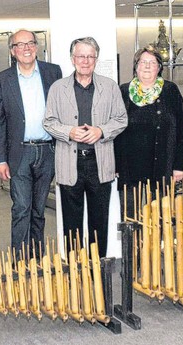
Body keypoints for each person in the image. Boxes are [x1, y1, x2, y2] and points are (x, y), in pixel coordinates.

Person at [43, 37, 127, 258]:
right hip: (70, 163)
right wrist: (69, 132)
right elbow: (49, 122)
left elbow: (121, 119)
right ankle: (75, 270)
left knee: (99, 221)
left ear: (96, 59)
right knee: (72, 224)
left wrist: (100, 131)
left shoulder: (109, 87)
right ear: (73, 59)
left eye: (90, 56)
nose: (86, 61)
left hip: (100, 162)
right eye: (81, 56)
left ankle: (97, 271)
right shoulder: (57, 88)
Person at [0, 29, 62, 256]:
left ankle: (37, 258)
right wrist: (0, 159)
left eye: (30, 43)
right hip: (19, 153)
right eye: (20, 45)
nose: (26, 48)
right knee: (22, 208)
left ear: (37, 46)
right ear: (13, 51)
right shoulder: (2, 79)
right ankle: (20, 262)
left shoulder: (53, 72)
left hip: (47, 150)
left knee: (39, 209)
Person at [115, 45, 183, 219]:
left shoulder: (170, 91)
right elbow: (115, 131)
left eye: (152, 62)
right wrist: (116, 164)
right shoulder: (124, 91)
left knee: (161, 216)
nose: (147, 66)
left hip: (163, 165)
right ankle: (133, 246)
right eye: (143, 62)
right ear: (136, 66)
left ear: (159, 67)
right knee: (129, 217)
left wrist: (180, 165)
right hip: (130, 167)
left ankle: (159, 246)